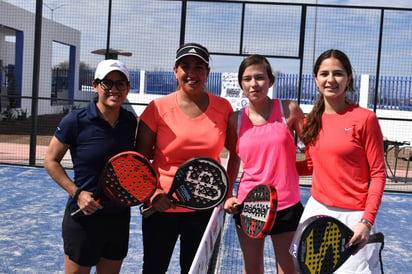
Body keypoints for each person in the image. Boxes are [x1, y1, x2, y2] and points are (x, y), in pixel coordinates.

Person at [135, 43, 235, 274]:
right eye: (185, 66)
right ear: (175, 71)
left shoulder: (223, 107)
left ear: (207, 73)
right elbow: (139, 161)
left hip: (205, 208)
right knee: (153, 268)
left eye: (199, 67)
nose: (192, 72)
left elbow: (239, 151)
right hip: (161, 207)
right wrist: (152, 193)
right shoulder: (157, 108)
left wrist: (227, 192)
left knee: (197, 271)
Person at [44, 59, 137, 274]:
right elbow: (51, 161)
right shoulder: (75, 120)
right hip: (83, 218)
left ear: (128, 88)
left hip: (118, 218)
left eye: (120, 84)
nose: (114, 89)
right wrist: (77, 194)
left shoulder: (129, 121)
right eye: (107, 83)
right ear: (95, 86)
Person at [297, 49, 386, 273]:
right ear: (316, 78)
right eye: (324, 73)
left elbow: (378, 173)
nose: (330, 79)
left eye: (338, 73)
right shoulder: (310, 121)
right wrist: (275, 167)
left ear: (348, 78)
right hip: (316, 211)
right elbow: (311, 165)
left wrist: (366, 222)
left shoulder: (365, 118)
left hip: (354, 218)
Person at [223, 54, 305, 274]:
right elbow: (234, 160)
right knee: (252, 268)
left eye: (259, 77)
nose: (253, 84)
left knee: (288, 269)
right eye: (247, 78)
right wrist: (229, 194)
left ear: (271, 81)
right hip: (249, 205)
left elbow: (315, 150)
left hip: (287, 205)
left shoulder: (290, 110)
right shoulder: (235, 120)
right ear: (241, 83)